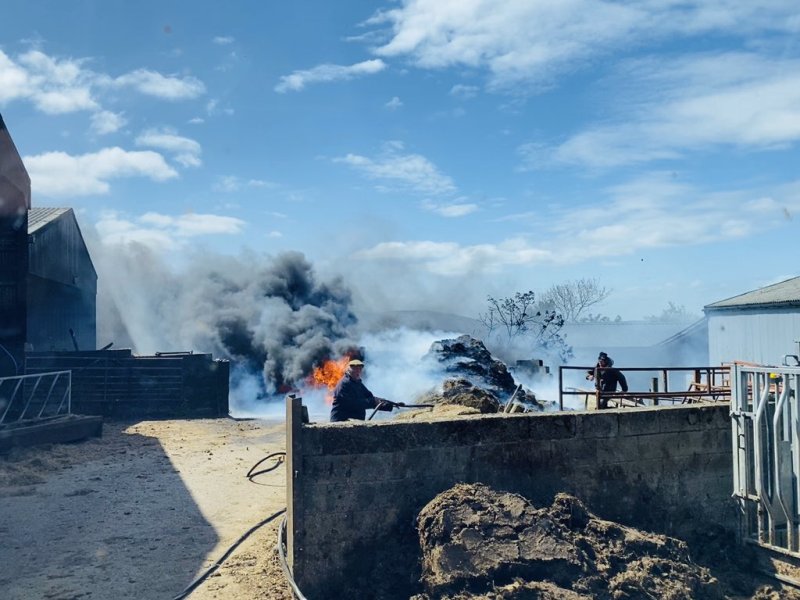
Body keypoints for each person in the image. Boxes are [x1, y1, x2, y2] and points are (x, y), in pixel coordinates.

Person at [329, 359, 394, 422]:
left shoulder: (358, 383)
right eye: (355, 369)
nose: (358, 371)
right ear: (349, 370)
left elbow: (369, 397)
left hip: (354, 421)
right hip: (341, 420)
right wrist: (372, 402)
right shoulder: (344, 384)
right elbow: (352, 404)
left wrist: (388, 404)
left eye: (360, 369)